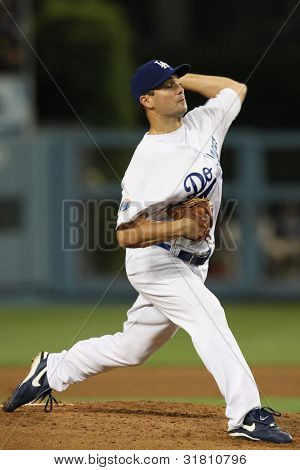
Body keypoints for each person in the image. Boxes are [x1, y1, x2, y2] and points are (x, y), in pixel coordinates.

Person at [3, 59, 292, 444]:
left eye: (177, 82)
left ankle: (52, 369)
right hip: (157, 261)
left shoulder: (204, 123)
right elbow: (125, 234)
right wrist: (181, 225)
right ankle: (246, 414)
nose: (178, 90)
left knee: (133, 347)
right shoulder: (146, 162)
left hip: (193, 263)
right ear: (146, 100)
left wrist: (181, 75)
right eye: (167, 86)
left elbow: (235, 89)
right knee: (209, 315)